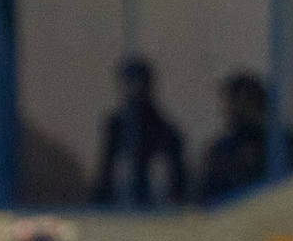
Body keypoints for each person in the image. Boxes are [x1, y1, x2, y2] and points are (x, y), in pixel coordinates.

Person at [93, 57, 187, 206]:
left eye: (139, 83)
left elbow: (179, 186)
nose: (134, 91)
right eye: (129, 84)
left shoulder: (166, 133)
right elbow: (106, 176)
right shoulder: (117, 129)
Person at [200, 72, 269, 202]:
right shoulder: (220, 152)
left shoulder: (281, 146)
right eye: (232, 104)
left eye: (246, 103)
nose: (236, 110)